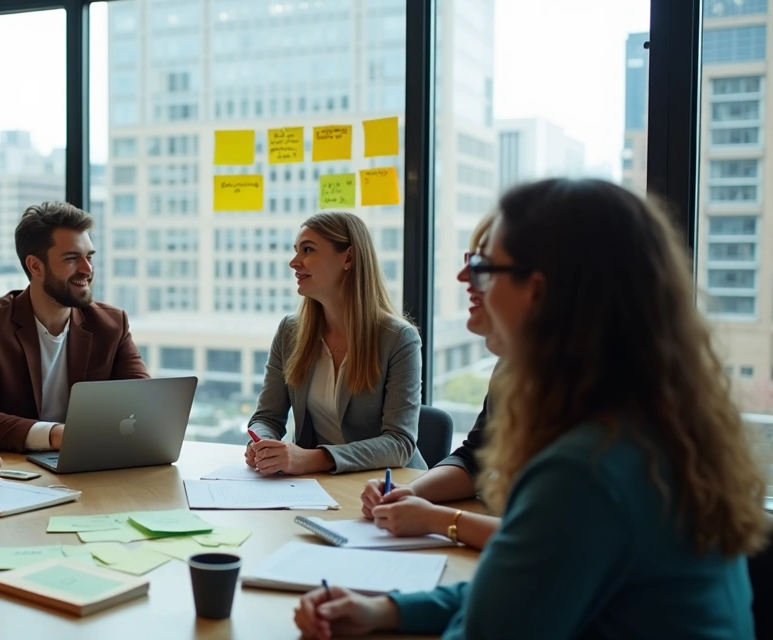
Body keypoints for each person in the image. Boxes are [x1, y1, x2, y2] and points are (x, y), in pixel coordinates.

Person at [294, 178, 768, 640]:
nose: (464, 279)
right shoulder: (644, 429)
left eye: (484, 267)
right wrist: (388, 610)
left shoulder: (585, 470)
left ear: (538, 291)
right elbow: (527, 585)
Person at [0, 202, 148, 452]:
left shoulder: (111, 324)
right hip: (16, 468)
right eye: (72, 258)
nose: (87, 269)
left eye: (89, 257)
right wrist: (57, 435)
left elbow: (145, 407)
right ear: (35, 266)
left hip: (93, 462)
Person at [360, 209, 502, 549]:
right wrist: (409, 492)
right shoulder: (512, 367)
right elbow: (474, 459)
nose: (462, 276)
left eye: (481, 265)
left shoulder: (597, 398)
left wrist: (438, 520)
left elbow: (552, 539)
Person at [246, 212, 423, 475]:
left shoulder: (398, 338)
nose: (294, 262)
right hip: (314, 484)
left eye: (308, 250)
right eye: (296, 251)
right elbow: (266, 418)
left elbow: (399, 443)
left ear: (348, 258)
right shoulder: (290, 331)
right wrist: (261, 444)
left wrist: (312, 459)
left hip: (387, 484)